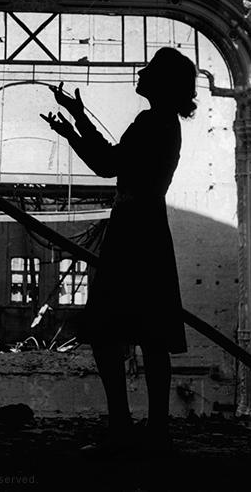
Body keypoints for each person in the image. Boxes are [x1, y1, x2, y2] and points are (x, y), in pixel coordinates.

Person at [40, 47, 197, 457]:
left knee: (109, 334)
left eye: (149, 70)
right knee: (151, 335)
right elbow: (111, 163)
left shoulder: (152, 122)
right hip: (149, 229)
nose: (141, 73)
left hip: (132, 230)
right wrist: (75, 125)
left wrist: (77, 121)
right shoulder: (164, 123)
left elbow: (108, 165)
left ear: (160, 83)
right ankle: (155, 432)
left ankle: (123, 429)